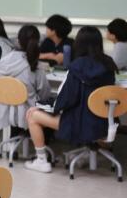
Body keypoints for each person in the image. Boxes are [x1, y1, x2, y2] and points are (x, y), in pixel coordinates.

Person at [25, 26, 117, 173]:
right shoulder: (109, 64)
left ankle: (41, 161)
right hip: (104, 122)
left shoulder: (76, 67)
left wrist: (45, 107)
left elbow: (66, 100)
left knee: (32, 115)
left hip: (80, 123)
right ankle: (89, 151)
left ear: (79, 43)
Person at [0, 25, 51, 131]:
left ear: (18, 40)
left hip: (4, 110)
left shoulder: (3, 62)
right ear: (37, 42)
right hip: (29, 113)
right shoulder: (34, 65)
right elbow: (45, 94)